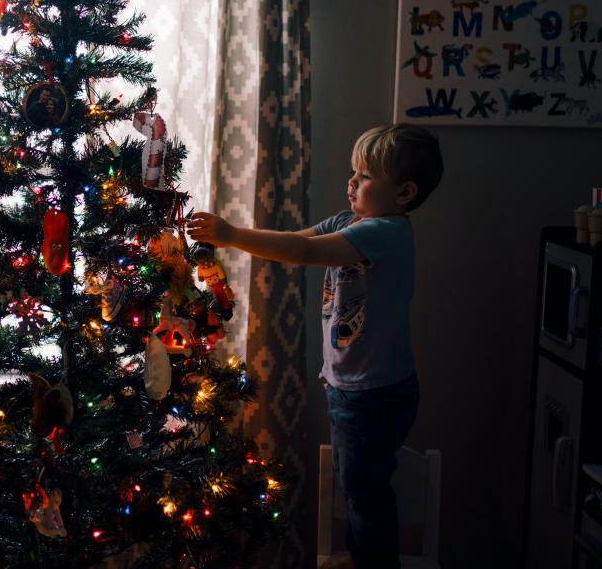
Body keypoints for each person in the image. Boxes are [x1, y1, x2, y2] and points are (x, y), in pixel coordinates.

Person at [187, 124, 443, 569]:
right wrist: (233, 234)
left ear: (403, 193)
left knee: (365, 495)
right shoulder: (351, 222)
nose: (351, 183)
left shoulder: (386, 233)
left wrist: (230, 235)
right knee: (359, 488)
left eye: (364, 177)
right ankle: (365, 557)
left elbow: (304, 255)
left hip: (374, 394)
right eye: (353, 172)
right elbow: (301, 240)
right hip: (354, 388)